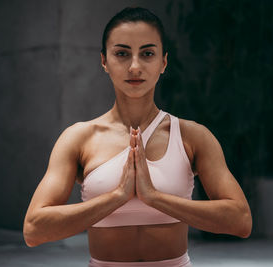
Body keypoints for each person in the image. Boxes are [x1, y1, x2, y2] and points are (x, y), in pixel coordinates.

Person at [23, 7, 252, 267]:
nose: (134, 66)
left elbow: (240, 220)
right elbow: (34, 229)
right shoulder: (79, 138)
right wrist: (118, 196)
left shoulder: (192, 136)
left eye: (147, 54)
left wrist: (154, 197)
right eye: (122, 53)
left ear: (163, 62)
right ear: (104, 61)